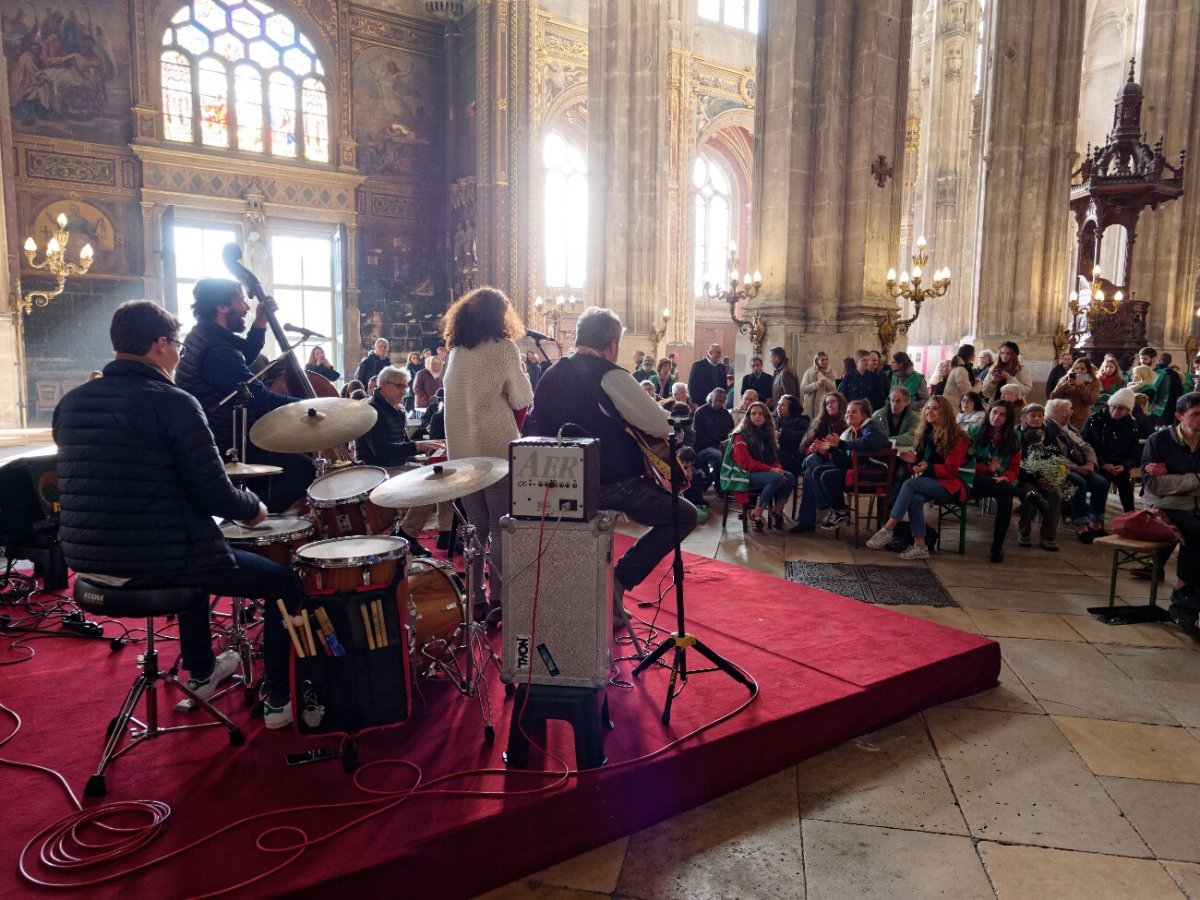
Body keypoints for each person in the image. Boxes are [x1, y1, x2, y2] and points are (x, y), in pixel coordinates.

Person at [53, 300, 297, 728]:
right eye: (177, 344)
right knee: (284, 581)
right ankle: (279, 699)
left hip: (87, 562)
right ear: (160, 344)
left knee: (197, 551)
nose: (180, 353)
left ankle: (202, 671)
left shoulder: (71, 403)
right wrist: (254, 509)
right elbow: (213, 493)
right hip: (155, 562)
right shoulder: (174, 402)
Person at [526, 306, 696, 611]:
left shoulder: (549, 374)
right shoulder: (610, 374)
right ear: (613, 343)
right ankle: (618, 580)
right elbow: (658, 425)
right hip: (610, 483)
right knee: (683, 515)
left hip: (558, 486)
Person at [175, 278, 312, 512]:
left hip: (221, 437)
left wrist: (260, 322)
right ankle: (250, 519)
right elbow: (261, 398)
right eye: (240, 301)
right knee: (304, 470)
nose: (246, 307)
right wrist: (313, 406)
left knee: (291, 468)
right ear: (222, 307)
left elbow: (244, 355)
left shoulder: (206, 335)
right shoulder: (217, 352)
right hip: (229, 444)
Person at [442, 287, 534, 620]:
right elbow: (522, 398)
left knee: (476, 527)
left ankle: (474, 596)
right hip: (495, 450)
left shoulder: (456, 353)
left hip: (462, 453)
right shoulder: (504, 348)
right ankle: (499, 598)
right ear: (500, 316)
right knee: (499, 527)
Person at [866, 396, 971, 559]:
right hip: (932, 481)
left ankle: (888, 528)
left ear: (944, 412)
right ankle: (920, 547)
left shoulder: (958, 437)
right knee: (915, 498)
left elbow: (950, 471)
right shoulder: (926, 433)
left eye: (935, 408)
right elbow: (923, 462)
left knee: (910, 484)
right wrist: (913, 460)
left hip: (952, 484)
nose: (930, 411)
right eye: (928, 408)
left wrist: (927, 467)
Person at [355, 365, 443, 558]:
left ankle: (435, 533)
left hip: (396, 465)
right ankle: (406, 534)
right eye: (399, 386)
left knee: (440, 477)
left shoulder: (398, 408)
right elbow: (382, 451)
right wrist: (418, 446)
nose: (404, 391)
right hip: (377, 469)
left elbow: (402, 444)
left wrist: (427, 449)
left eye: (406, 387)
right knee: (429, 488)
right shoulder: (372, 409)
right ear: (384, 385)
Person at [1142, 392, 1200, 637]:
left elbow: (1166, 481)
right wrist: (1195, 479)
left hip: (1196, 504)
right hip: (1166, 505)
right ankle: (1183, 591)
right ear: (1179, 416)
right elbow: (1153, 486)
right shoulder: (1159, 441)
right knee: (1196, 533)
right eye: (1196, 414)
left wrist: (1174, 478)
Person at [791, 398, 888, 533]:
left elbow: (870, 441)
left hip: (871, 474)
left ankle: (838, 510)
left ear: (864, 415)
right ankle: (831, 508)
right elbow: (844, 462)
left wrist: (839, 445)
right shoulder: (848, 432)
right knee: (816, 470)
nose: (849, 415)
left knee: (825, 475)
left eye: (854, 412)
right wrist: (830, 450)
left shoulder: (871, 427)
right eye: (848, 412)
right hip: (855, 469)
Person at [968, 400, 1023, 563]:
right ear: (988, 413)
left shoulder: (1014, 437)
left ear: (1008, 418)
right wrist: (987, 469)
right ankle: (1023, 494)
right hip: (977, 479)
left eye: (1002, 415)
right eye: (994, 412)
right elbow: (967, 462)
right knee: (994, 486)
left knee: (1005, 501)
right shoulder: (975, 430)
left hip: (1000, 481)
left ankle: (997, 547)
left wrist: (1006, 476)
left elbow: (1014, 466)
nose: (996, 417)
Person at [729, 401, 796, 531]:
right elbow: (745, 463)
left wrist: (778, 469)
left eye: (760, 414)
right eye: (753, 414)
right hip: (742, 474)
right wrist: (771, 470)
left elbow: (774, 459)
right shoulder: (740, 435)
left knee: (790, 477)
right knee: (775, 478)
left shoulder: (767, 434)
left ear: (766, 417)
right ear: (748, 416)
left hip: (760, 472)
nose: (757, 416)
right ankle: (756, 513)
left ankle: (777, 511)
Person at [1082, 387, 1140, 514]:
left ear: (1127, 410)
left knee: (1125, 483)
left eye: (1120, 408)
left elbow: (1134, 451)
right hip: (1098, 463)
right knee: (1102, 484)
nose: (1115, 411)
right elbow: (1086, 446)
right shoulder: (1094, 420)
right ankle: (1097, 520)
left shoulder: (1132, 425)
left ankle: (1130, 516)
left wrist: (1124, 466)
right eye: (1113, 407)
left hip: (1119, 465)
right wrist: (1103, 464)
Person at [694, 387, 734, 487]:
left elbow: (732, 430)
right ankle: (719, 488)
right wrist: (718, 445)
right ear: (711, 398)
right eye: (716, 400)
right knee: (717, 455)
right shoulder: (700, 412)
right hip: (702, 447)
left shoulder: (726, 414)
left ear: (724, 401)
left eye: (721, 401)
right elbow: (697, 436)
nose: (718, 403)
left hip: (721, 446)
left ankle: (712, 479)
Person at [1049, 356, 1100, 430]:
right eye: (1077, 368)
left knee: (1077, 439)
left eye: (1082, 369)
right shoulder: (1066, 379)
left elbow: (1092, 401)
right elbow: (1052, 396)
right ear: (1073, 369)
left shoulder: (1094, 382)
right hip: (1063, 416)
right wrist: (1065, 386)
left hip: (1080, 419)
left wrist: (1082, 386)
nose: (1079, 371)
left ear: (1088, 371)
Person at [774, 394, 812, 478]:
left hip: (792, 457)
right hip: (774, 455)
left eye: (783, 405)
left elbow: (803, 438)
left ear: (792, 407)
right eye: (778, 405)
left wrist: (782, 434)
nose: (779, 408)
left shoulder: (802, 421)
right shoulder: (773, 420)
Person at [801, 391, 848, 457]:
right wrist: (811, 449)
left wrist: (825, 453)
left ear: (841, 404)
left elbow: (846, 451)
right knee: (811, 458)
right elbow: (805, 446)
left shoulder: (848, 422)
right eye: (827, 403)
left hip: (840, 461)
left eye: (833, 402)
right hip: (819, 459)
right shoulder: (819, 424)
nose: (830, 405)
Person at [799, 351, 838, 420]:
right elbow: (803, 389)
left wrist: (825, 380)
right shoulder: (809, 372)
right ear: (817, 361)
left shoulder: (832, 373)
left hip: (826, 405)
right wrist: (817, 384)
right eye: (822, 360)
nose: (825, 361)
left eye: (826, 359)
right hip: (811, 407)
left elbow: (835, 388)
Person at [687, 343, 727, 409]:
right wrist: (694, 403)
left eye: (721, 353)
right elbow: (691, 385)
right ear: (710, 352)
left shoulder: (722, 367)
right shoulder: (698, 365)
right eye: (718, 353)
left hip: (718, 404)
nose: (720, 355)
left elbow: (724, 387)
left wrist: (723, 402)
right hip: (701, 404)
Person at [942, 344, 978, 410]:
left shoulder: (960, 368)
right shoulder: (961, 370)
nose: (975, 355)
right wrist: (980, 385)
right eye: (974, 353)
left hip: (953, 405)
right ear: (970, 355)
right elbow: (969, 393)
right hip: (953, 408)